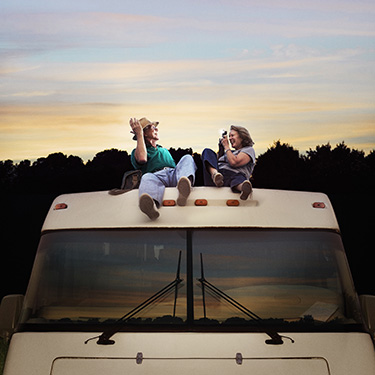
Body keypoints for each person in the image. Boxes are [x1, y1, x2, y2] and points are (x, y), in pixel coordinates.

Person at [130, 117, 197, 220]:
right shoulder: (137, 152)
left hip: (174, 174)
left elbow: (179, 167)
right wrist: (139, 133)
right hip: (156, 177)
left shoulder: (164, 150)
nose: (156, 129)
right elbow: (142, 159)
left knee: (187, 158)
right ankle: (151, 207)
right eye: (152, 127)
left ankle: (184, 189)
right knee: (147, 177)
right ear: (144, 133)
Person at [202, 125, 255, 200]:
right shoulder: (229, 152)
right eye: (229, 136)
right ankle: (215, 175)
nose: (230, 138)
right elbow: (215, 163)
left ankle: (243, 188)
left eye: (232, 135)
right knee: (207, 151)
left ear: (242, 137)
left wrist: (227, 147)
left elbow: (234, 162)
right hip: (218, 177)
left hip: (234, 176)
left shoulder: (248, 150)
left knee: (237, 177)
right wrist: (221, 150)